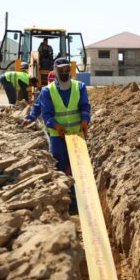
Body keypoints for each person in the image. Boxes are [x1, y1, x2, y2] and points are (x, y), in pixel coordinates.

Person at [39, 58, 90, 213]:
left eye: (67, 69)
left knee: (78, 169)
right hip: (57, 137)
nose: (64, 73)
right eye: (61, 70)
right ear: (55, 71)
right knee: (60, 166)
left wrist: (85, 120)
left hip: (77, 135)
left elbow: (85, 107)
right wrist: (55, 125)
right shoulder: (47, 91)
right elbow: (46, 114)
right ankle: (63, 203)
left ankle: (77, 202)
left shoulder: (79, 87)